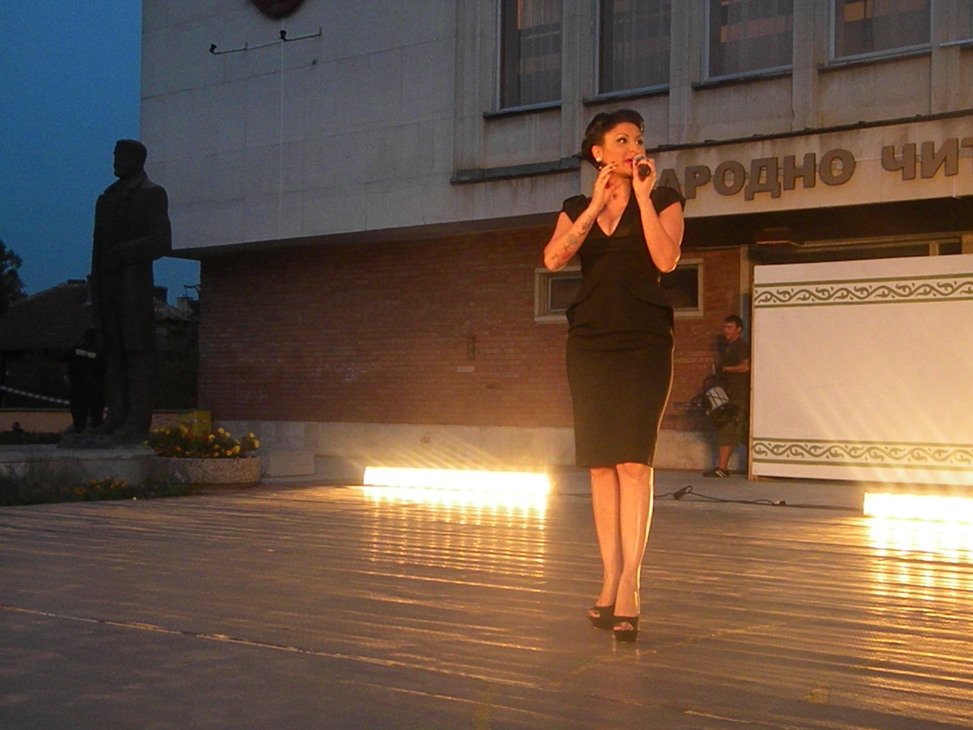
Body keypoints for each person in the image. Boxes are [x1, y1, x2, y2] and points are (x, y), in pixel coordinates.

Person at [543, 109, 685, 642]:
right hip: (590, 342)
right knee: (601, 465)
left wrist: (643, 198)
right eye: (621, 140)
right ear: (598, 153)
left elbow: (666, 260)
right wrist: (595, 206)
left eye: (638, 139)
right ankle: (607, 578)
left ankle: (631, 585)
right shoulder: (575, 207)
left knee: (633, 463)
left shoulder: (664, 198)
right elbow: (554, 259)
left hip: (644, 340)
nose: (633, 147)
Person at [89, 140, 172, 443]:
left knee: (136, 351)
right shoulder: (107, 198)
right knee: (113, 351)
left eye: (120, 156)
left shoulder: (151, 194)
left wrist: (123, 253)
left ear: (136, 160)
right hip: (107, 285)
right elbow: (98, 249)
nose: (115, 161)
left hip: (133, 285)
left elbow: (161, 241)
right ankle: (115, 417)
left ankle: (136, 421)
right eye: (114, 155)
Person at [703, 315, 751, 478]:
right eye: (725, 327)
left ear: (739, 329)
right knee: (726, 428)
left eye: (729, 327)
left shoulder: (740, 346)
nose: (726, 331)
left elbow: (746, 366)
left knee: (728, 429)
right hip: (727, 395)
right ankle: (722, 466)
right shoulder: (729, 347)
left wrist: (726, 369)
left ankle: (722, 468)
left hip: (737, 396)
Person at [64, 328, 106, 433]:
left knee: (78, 411)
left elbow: (60, 359)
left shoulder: (74, 350)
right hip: (95, 386)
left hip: (77, 385)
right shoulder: (99, 353)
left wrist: (66, 376)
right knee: (96, 411)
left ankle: (79, 430)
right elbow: (104, 369)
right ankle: (96, 430)